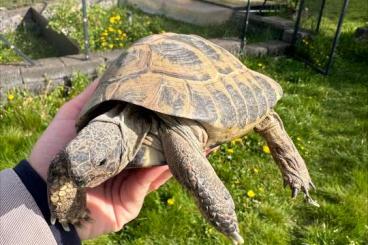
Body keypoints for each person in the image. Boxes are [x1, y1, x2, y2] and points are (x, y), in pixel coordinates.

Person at [0, 80, 173, 245]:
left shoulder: (173, 130)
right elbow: (68, 165)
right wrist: (48, 199)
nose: (77, 174)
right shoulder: (76, 156)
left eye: (100, 163)